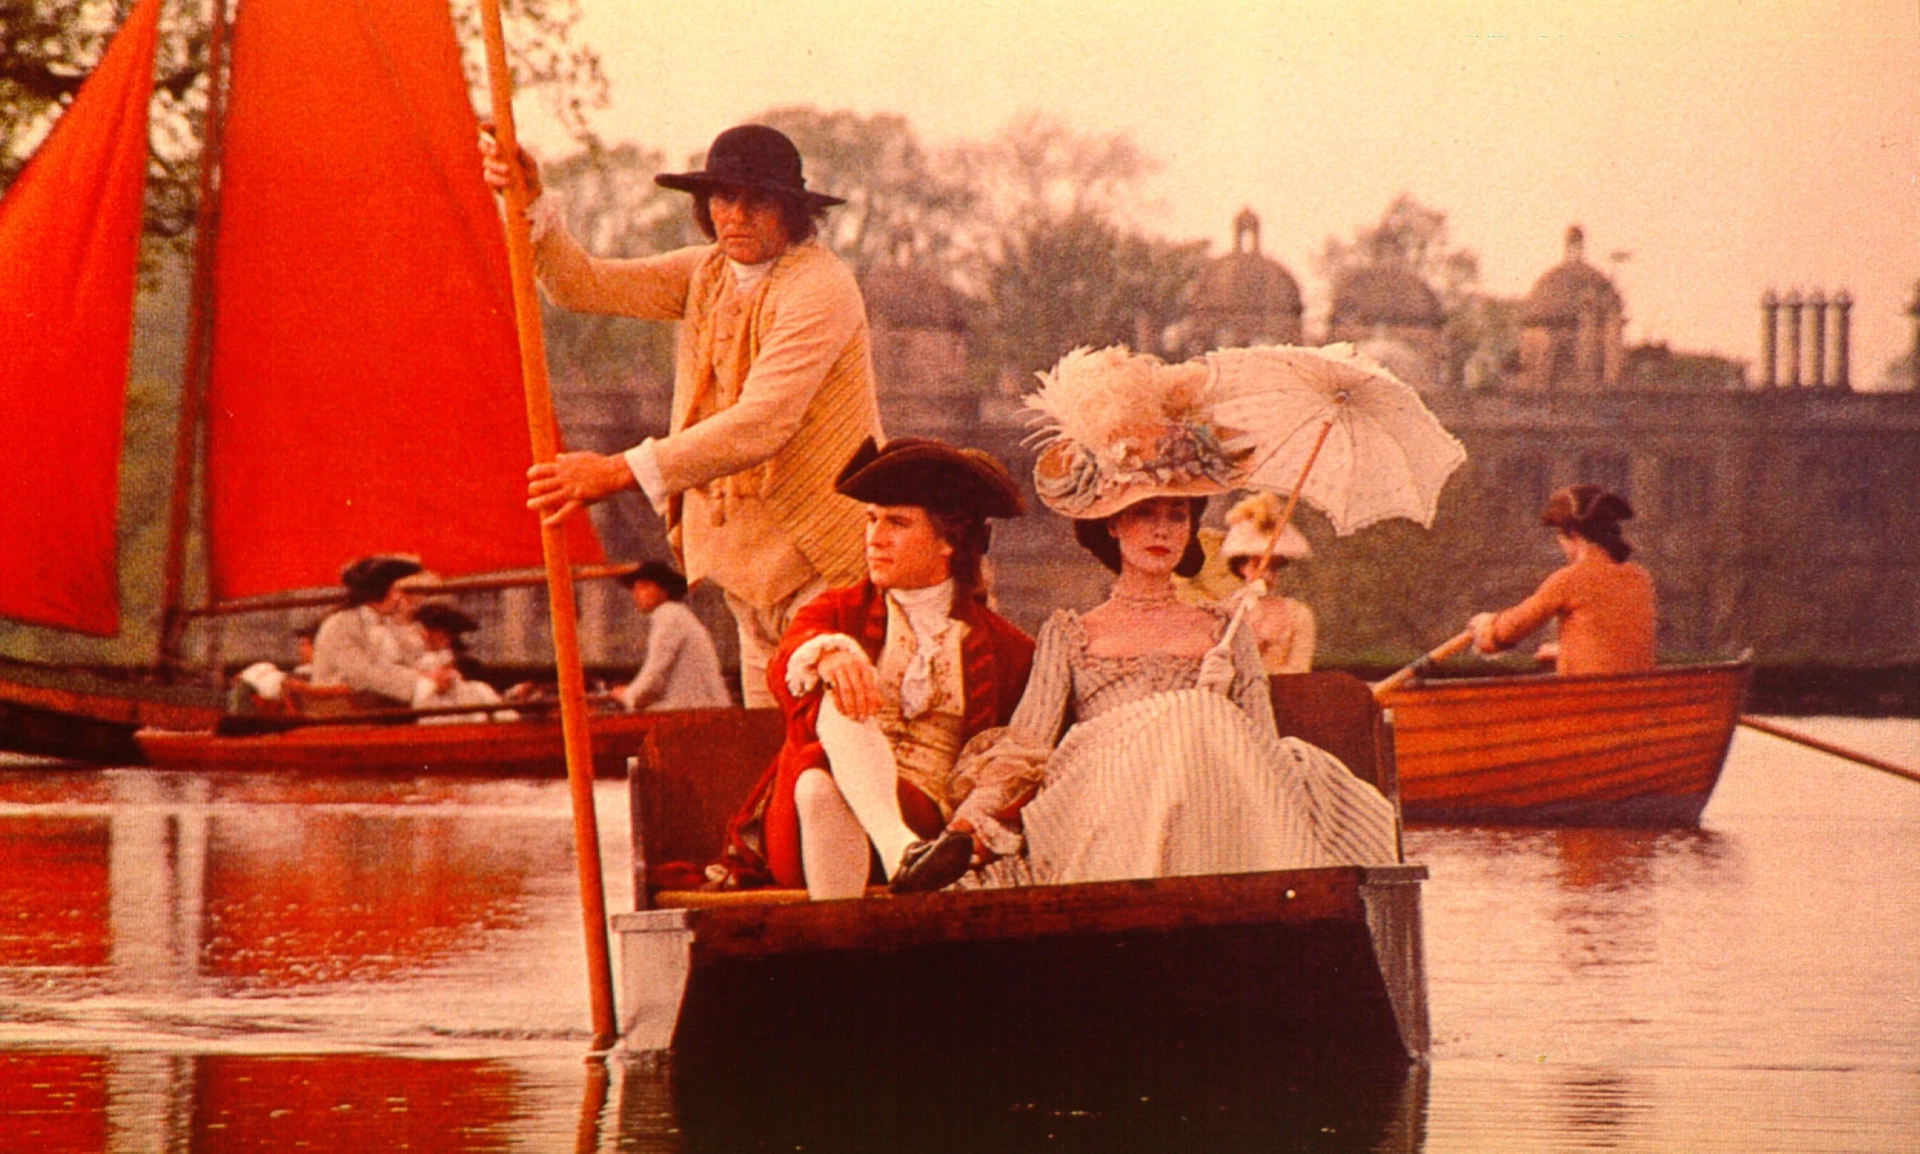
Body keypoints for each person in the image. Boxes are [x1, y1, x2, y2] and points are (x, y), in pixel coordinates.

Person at [941, 346, 1398, 888]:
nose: (1161, 530)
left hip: (1215, 813)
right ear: (1111, 524)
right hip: (1101, 807)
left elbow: (1262, 752)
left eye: (1176, 514)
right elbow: (1028, 748)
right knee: (1187, 718)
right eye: (1143, 513)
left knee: (1203, 727)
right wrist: (967, 821)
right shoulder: (1071, 632)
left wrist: (1211, 715)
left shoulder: (1222, 631)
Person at [482, 123, 882, 709]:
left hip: (828, 559)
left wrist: (618, 470)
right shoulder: (704, 273)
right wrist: (531, 201)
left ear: (793, 212)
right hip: (749, 573)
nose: (736, 216)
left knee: (826, 747)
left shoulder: (822, 286)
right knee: (769, 746)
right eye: (722, 198)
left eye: (757, 200)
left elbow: (763, 421)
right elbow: (579, 284)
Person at [713, 438, 1035, 900]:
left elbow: (1018, 765)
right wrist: (831, 656)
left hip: (927, 823)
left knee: (822, 787)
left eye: (897, 523)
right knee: (822, 748)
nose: (875, 537)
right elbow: (784, 668)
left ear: (948, 542)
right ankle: (898, 848)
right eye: (871, 520)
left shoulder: (1010, 649)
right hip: (799, 830)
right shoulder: (833, 613)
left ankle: (840, 956)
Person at [1468, 483, 1656, 675]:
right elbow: (1615, 646)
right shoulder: (1639, 577)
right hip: (1635, 693)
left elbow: (1512, 628)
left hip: (1588, 697)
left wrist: (1486, 626)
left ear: (1573, 535)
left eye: (1559, 536)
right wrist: (1566, 652)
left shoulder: (1570, 579)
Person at [310, 554, 455, 707]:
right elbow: (363, 675)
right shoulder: (340, 624)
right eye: (396, 591)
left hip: (382, 700)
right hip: (344, 707)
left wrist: (434, 673)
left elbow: (409, 659)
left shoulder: (387, 621)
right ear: (378, 591)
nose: (401, 598)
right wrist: (420, 682)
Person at [1219, 491, 1317, 675]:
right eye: (1258, 565)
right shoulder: (1223, 612)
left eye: (1274, 567)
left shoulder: (1297, 615)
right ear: (1242, 566)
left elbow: (1299, 670)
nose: (1267, 575)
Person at [614, 561, 731, 712]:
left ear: (664, 589)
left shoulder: (669, 615)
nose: (637, 593)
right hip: (700, 707)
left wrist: (627, 695)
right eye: (635, 588)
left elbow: (655, 671)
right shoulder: (677, 614)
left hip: (695, 709)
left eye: (645, 586)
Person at [411, 601, 517, 724]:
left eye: (444, 632)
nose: (423, 635)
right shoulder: (419, 664)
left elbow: (491, 693)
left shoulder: (466, 666)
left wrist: (513, 693)